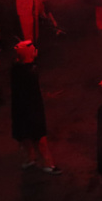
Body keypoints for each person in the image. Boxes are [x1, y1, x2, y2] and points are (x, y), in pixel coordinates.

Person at [10, 40, 60, 174]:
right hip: (32, 108)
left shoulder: (17, 69)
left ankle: (30, 158)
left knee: (25, 136)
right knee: (40, 137)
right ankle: (47, 164)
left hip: (19, 109)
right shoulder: (30, 71)